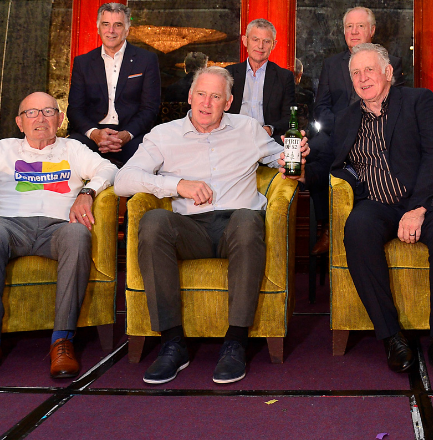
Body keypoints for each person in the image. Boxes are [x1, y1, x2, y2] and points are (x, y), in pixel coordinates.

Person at [114, 66, 307, 385]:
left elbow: (282, 161)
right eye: (201, 94)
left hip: (239, 227)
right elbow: (123, 180)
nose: (206, 103)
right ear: (190, 97)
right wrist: (177, 185)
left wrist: (295, 159)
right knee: (153, 220)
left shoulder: (249, 129)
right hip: (189, 228)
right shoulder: (165, 135)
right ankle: (172, 343)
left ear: (228, 102)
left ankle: (235, 342)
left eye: (216, 96)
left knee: (247, 219)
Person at [0, 92, 117, 384]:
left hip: (59, 228)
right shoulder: (4, 150)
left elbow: (108, 168)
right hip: (9, 226)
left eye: (48, 112)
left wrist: (87, 193)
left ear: (59, 119)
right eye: (32, 113)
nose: (40, 119)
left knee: (78, 235)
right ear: (19, 122)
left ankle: (62, 341)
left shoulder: (73, 149)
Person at [333, 43, 433, 384]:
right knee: (357, 228)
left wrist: (418, 207)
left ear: (388, 72)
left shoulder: (417, 101)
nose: (363, 79)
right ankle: (391, 337)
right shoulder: (347, 116)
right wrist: (300, 165)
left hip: (428, 201)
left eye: (369, 70)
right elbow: (331, 162)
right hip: (377, 205)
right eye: (355, 73)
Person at [306, 7, 401, 255]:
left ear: (372, 30)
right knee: (313, 155)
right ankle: (326, 226)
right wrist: (344, 128)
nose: (354, 31)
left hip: (376, 132)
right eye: (349, 27)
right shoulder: (331, 64)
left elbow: (395, 106)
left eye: (360, 26)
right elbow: (321, 107)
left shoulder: (390, 64)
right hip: (335, 132)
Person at [67, 3, 161, 167]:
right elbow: (75, 109)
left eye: (118, 25)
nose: (111, 31)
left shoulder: (146, 60)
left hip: (130, 133)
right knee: (69, 153)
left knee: (149, 159)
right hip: (93, 133)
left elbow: (150, 108)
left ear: (127, 29)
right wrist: (95, 134)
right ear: (98, 28)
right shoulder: (83, 63)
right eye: (106, 24)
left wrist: (126, 134)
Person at [228, 18, 296, 141]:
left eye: (266, 41)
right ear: (245, 41)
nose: (260, 46)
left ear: (273, 45)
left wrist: (270, 129)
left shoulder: (284, 77)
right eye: (255, 40)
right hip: (233, 138)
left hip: (268, 140)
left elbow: (289, 117)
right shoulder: (228, 74)